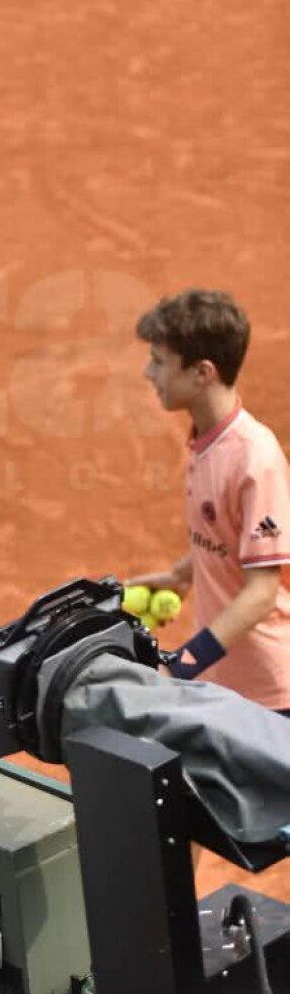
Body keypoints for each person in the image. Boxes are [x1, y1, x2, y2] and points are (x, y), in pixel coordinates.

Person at [130, 290, 289, 714]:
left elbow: (261, 593)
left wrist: (181, 665)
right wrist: (182, 574)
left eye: (160, 362)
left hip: (269, 694)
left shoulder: (254, 456)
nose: (149, 373)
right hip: (225, 684)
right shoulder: (207, 441)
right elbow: (227, 532)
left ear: (202, 373)